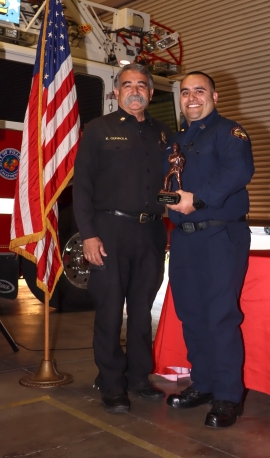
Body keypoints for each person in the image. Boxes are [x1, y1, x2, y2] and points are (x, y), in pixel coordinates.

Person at [73, 63, 172, 414]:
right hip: (109, 232)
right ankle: (112, 384)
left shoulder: (164, 134)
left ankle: (139, 377)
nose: (135, 91)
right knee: (111, 310)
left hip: (150, 233)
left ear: (150, 92)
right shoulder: (98, 130)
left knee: (143, 310)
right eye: (127, 85)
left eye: (141, 85)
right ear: (116, 92)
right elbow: (82, 188)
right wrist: (89, 235)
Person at [164, 71, 254, 428]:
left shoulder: (230, 133)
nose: (191, 98)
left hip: (220, 237)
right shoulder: (177, 139)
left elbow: (239, 172)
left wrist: (198, 200)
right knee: (191, 315)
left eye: (199, 91)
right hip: (184, 238)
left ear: (214, 96)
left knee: (220, 318)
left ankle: (228, 396)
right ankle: (203, 384)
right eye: (185, 92)